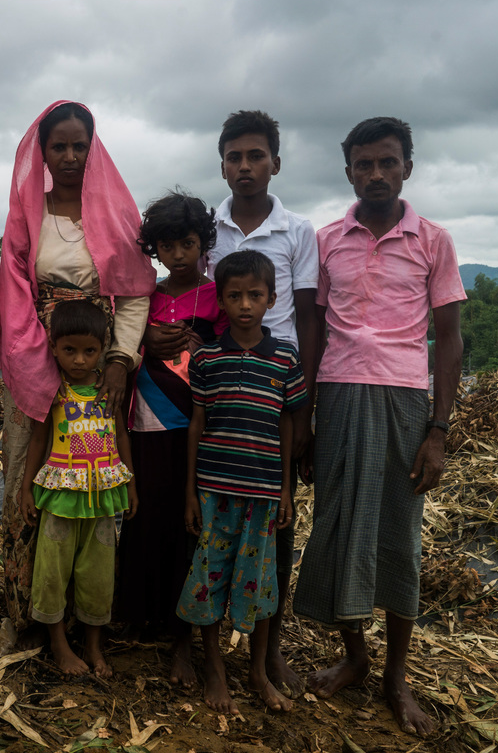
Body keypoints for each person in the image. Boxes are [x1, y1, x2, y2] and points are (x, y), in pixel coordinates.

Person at [292, 117, 465, 736]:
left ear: (407, 169)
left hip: (402, 400)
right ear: (348, 173)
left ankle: (396, 677)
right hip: (337, 394)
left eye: (387, 162)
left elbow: (448, 339)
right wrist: (305, 417)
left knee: (398, 534)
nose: (375, 174)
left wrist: (438, 430)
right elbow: (313, 330)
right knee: (338, 525)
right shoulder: (327, 238)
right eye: (363, 164)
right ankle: (355, 659)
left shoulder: (432, 241)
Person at [149, 110, 318, 694]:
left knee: (269, 553)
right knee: (200, 545)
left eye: (256, 156)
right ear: (221, 164)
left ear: (275, 160)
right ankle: (196, 652)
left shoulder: (299, 232)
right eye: (234, 157)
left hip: (271, 405)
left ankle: (266, 661)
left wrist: (305, 409)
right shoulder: (207, 228)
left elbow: (310, 317)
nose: (245, 166)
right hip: (212, 404)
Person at [0, 101, 155, 635]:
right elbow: (14, 290)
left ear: (93, 148)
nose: (68, 156)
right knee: (31, 473)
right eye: (57, 146)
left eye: (78, 145)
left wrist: (116, 361)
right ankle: (32, 614)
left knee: (93, 476)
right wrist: (35, 363)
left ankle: (88, 616)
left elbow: (134, 295)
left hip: (96, 366)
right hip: (36, 355)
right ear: (42, 153)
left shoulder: (115, 214)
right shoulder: (27, 212)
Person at [176, 250, 307, 715]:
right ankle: (213, 667)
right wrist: (191, 491)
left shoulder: (286, 357)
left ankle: (256, 672)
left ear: (272, 299)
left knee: (260, 583)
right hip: (213, 491)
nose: (245, 304)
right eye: (234, 295)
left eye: (255, 295)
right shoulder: (207, 358)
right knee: (209, 578)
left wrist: (286, 489)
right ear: (222, 300)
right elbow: (197, 423)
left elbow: (288, 424)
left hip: (263, 494)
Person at [118, 190, 226, 687]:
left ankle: (183, 632)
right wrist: (144, 340)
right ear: (154, 249)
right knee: (148, 516)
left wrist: (207, 347)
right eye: (167, 245)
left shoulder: (220, 297)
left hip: (194, 428)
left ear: (204, 243)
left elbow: (230, 353)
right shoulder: (148, 296)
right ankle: (143, 615)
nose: (178, 254)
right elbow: (123, 343)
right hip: (145, 422)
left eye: (187, 243)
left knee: (189, 527)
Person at [18, 300, 136, 676]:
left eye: (90, 351)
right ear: (53, 347)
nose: (80, 360)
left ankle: (93, 646)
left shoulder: (109, 392)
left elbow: (120, 436)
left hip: (103, 499)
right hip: (60, 498)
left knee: (98, 575)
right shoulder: (52, 393)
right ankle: (58, 643)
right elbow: (38, 442)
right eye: (70, 350)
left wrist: (130, 485)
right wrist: (25, 490)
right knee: (52, 572)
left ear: (103, 349)